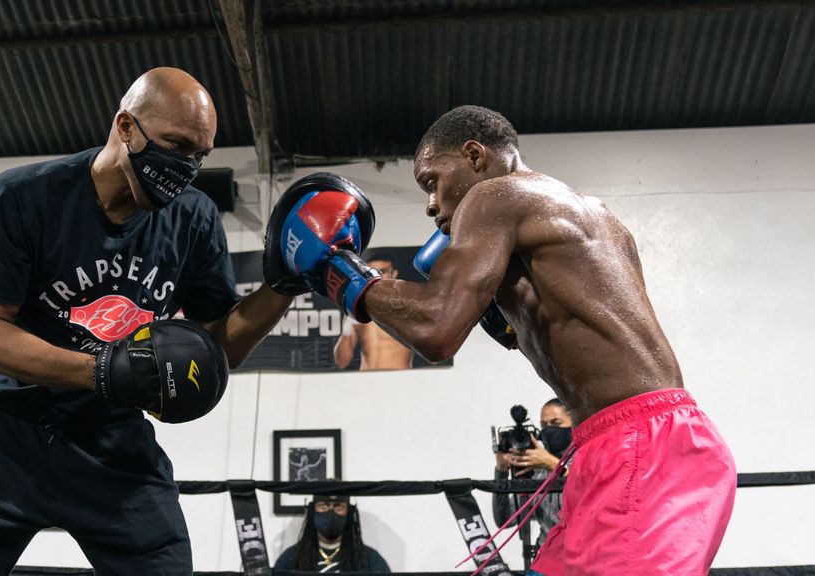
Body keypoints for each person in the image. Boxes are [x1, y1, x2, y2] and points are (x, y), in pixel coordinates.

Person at [268, 105, 736, 575]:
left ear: (474, 156)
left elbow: (436, 330)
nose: (431, 205)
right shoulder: (596, 218)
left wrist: (342, 272)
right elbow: (589, 329)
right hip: (633, 442)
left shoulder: (494, 197)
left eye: (432, 181)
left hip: (639, 450)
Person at [0, 67, 297, 575]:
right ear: (125, 126)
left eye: (199, 155)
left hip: (114, 443)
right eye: (176, 145)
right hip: (7, 439)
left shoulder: (193, 218)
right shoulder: (23, 198)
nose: (186, 166)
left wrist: (285, 285)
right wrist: (102, 370)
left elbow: (218, 347)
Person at [492, 398, 574, 550]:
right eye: (544, 425)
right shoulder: (537, 471)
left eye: (556, 423)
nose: (549, 430)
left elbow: (588, 503)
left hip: (582, 559)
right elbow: (503, 519)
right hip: (546, 556)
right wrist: (501, 470)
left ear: (573, 424)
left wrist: (553, 465)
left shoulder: (587, 460)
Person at [333, 251, 414, 370]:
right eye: (372, 273)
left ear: (394, 273)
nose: (377, 278)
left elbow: (435, 355)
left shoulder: (409, 310)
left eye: (382, 272)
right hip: (365, 383)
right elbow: (341, 363)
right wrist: (347, 330)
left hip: (400, 383)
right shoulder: (359, 311)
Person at [273, 495, 390, 573]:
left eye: (338, 506)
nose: (330, 512)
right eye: (323, 505)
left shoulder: (369, 559)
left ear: (348, 512)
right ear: (312, 511)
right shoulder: (291, 558)